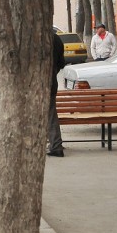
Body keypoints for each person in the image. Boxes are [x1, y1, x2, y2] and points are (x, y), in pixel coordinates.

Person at [47, 29, 66, 157]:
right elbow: (61, 63)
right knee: (51, 115)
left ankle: (54, 145)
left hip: (32, 86)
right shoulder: (56, 39)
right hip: (51, 83)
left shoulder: (33, 37)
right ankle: (55, 145)